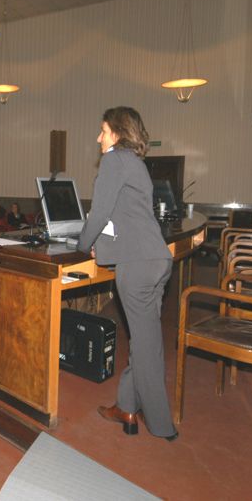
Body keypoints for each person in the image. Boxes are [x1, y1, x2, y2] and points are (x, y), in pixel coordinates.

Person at [76, 106, 176, 442]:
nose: (99, 138)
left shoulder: (114, 160)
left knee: (145, 347)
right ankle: (127, 406)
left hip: (137, 266)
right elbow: (125, 218)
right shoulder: (135, 163)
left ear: (117, 132)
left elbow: (100, 213)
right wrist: (102, 245)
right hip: (157, 260)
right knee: (145, 340)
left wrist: (82, 245)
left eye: (103, 131)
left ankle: (161, 424)